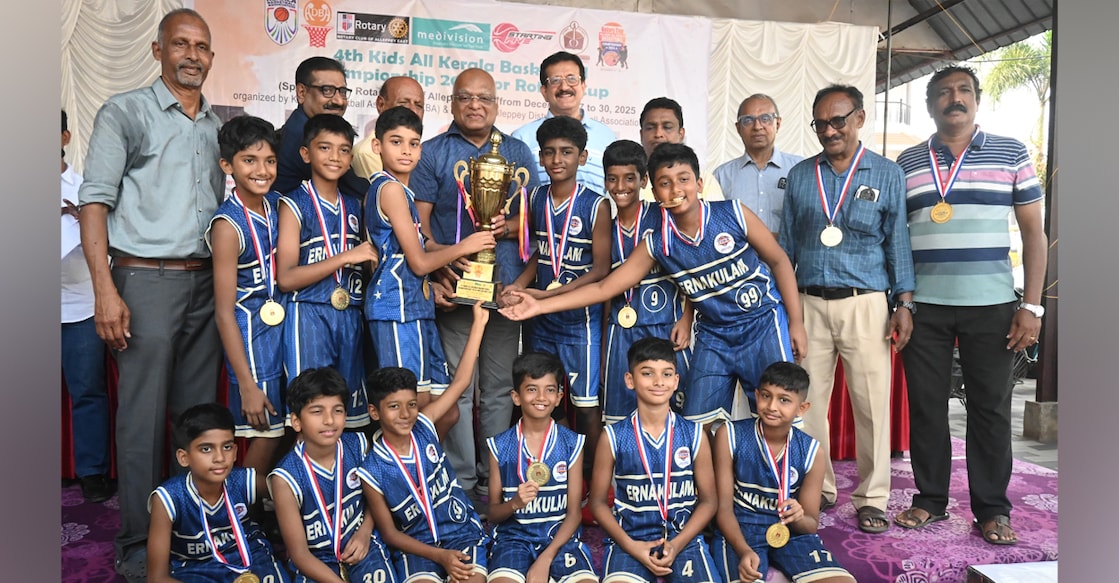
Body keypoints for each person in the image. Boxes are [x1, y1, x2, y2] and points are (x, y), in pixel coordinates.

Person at [501, 143, 806, 430]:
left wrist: (796, 321)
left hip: (762, 323)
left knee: (778, 416)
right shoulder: (658, 242)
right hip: (715, 334)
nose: (676, 189)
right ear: (655, 191)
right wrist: (539, 305)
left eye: (683, 179)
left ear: (699, 183)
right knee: (696, 424)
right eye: (665, 183)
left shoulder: (733, 213)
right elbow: (604, 288)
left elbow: (779, 260)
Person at [77, 9, 224, 580]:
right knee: (142, 419)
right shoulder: (125, 112)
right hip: (144, 281)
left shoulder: (216, 125)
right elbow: (94, 202)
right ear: (158, 49)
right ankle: (139, 542)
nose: (193, 55)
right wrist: (105, 290)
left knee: (195, 420)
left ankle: (186, 530)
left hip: (206, 283)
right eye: (181, 44)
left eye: (202, 46)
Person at [893, 65, 1046, 546]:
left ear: (977, 99)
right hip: (925, 307)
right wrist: (902, 301)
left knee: (990, 409)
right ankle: (930, 499)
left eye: (963, 90)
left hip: (992, 304)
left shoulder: (1011, 152)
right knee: (926, 407)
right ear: (930, 105)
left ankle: (992, 509)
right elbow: (896, 239)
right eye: (943, 93)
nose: (953, 98)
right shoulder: (907, 162)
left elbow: (1034, 233)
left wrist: (1033, 306)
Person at [779, 84, 914, 535]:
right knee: (808, 405)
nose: (829, 130)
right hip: (809, 303)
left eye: (838, 120)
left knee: (871, 404)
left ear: (859, 118)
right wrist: (786, 309)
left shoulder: (887, 173)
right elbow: (786, 248)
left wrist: (904, 302)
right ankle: (819, 486)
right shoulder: (801, 175)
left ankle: (873, 498)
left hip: (866, 303)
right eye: (821, 123)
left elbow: (897, 242)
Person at [410, 67, 542, 513]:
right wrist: (439, 269)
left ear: (496, 104)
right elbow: (421, 226)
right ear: (452, 102)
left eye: (484, 98)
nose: (475, 105)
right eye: (465, 97)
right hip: (456, 287)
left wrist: (509, 227)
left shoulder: (518, 152)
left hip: (505, 288)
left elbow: (536, 221)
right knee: (458, 388)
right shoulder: (432, 153)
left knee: (500, 386)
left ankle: (494, 479)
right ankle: (462, 480)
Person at [364, 106, 494, 422]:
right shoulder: (389, 189)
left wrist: (448, 257)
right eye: (396, 142)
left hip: (416, 306)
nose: (406, 151)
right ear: (377, 146)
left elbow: (419, 248)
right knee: (411, 406)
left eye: (413, 143)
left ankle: (427, 455)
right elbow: (420, 263)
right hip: (395, 309)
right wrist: (465, 246)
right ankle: (405, 457)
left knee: (446, 413)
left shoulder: (403, 191)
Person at [357, 301, 493, 583]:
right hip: (417, 546)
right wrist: (440, 556)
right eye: (393, 407)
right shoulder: (372, 469)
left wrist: (479, 324)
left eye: (411, 404)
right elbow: (390, 534)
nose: (405, 414)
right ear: (374, 412)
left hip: (461, 533)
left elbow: (460, 382)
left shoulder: (424, 424)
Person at [508, 115, 611, 474]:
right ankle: (550, 466)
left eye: (566, 152)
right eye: (549, 152)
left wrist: (547, 297)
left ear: (582, 157)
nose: (557, 159)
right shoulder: (534, 197)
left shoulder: (597, 206)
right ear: (540, 157)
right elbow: (540, 252)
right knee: (541, 394)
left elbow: (600, 270)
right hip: (541, 321)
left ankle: (593, 476)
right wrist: (519, 284)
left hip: (580, 322)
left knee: (585, 405)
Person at [277, 113, 379, 428]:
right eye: (325, 148)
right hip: (308, 315)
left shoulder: (356, 205)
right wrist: (346, 256)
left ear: (351, 158)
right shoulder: (293, 204)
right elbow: (286, 278)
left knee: (347, 417)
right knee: (312, 412)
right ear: (305, 153)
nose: (335, 156)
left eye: (343, 149)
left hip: (350, 316)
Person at [589, 337, 719, 582]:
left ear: (676, 381)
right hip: (629, 539)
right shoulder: (613, 436)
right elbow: (597, 503)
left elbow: (709, 501)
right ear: (630, 380)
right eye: (648, 373)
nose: (659, 382)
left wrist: (677, 544)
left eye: (666, 374)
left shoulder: (694, 434)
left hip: (683, 539)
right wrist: (630, 545)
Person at [712, 362, 855, 583]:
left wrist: (798, 516)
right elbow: (723, 510)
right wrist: (744, 551)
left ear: (802, 408)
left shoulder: (811, 451)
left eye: (784, 400)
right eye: (766, 396)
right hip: (740, 530)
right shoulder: (730, 435)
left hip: (788, 532)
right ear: (756, 395)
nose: (772, 406)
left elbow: (810, 525)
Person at [207, 115, 287, 481]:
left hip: (282, 331)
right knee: (266, 433)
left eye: (269, 160)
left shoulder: (279, 206)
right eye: (249, 160)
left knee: (285, 429)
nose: (262, 170)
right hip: (251, 339)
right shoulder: (227, 225)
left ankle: (267, 504)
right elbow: (224, 312)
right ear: (227, 165)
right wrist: (247, 384)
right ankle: (241, 508)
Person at [269, 368, 395, 583]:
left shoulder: (359, 446)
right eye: (317, 411)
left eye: (337, 410)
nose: (329, 420)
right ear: (296, 421)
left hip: (362, 545)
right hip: (316, 561)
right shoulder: (285, 478)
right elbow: (300, 555)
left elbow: (378, 497)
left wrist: (365, 532)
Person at [600, 139, 692, 424]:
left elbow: (694, 271)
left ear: (643, 181)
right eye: (612, 179)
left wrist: (687, 318)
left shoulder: (664, 217)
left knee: (680, 412)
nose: (620, 186)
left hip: (667, 326)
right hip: (621, 332)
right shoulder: (604, 229)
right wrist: (604, 346)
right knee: (620, 416)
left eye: (630, 178)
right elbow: (603, 290)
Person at [484, 351, 597, 583]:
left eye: (550, 390)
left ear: (559, 397)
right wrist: (515, 503)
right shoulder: (499, 446)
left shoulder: (572, 443)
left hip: (560, 538)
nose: (541, 397)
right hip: (513, 539)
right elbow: (493, 513)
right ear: (516, 397)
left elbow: (574, 514)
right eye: (532, 389)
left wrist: (545, 559)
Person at [146, 403, 290, 583]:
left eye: (227, 447)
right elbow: (157, 578)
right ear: (184, 457)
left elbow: (292, 492)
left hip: (251, 558)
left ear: (235, 452)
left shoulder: (242, 480)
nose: (220, 458)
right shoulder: (169, 498)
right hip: (197, 567)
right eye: (206, 449)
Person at [61, 108, 113, 503]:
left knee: (88, 391)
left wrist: (83, 221)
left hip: (79, 306)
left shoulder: (84, 189)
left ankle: (92, 472)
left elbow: (110, 250)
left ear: (64, 138)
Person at [512, 51, 617, 195]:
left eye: (572, 79)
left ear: (583, 86)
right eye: (555, 80)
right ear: (544, 91)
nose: (564, 87)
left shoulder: (607, 137)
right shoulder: (522, 138)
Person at [274, 56, 370, 199]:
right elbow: (360, 191)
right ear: (301, 92)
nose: (339, 101)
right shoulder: (303, 135)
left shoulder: (302, 126)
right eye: (327, 90)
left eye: (342, 91)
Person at [712, 94, 804, 234]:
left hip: (787, 249)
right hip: (738, 249)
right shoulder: (721, 175)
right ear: (738, 128)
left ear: (778, 123)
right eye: (748, 120)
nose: (757, 126)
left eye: (765, 119)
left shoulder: (799, 169)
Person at [637, 97, 724, 202]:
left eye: (667, 127)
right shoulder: (630, 180)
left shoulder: (705, 179)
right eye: (650, 128)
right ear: (641, 134)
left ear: (681, 134)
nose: (658, 134)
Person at [351, 76, 426, 180]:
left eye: (418, 105)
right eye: (403, 103)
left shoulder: (420, 152)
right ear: (380, 104)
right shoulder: (366, 153)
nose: (413, 111)